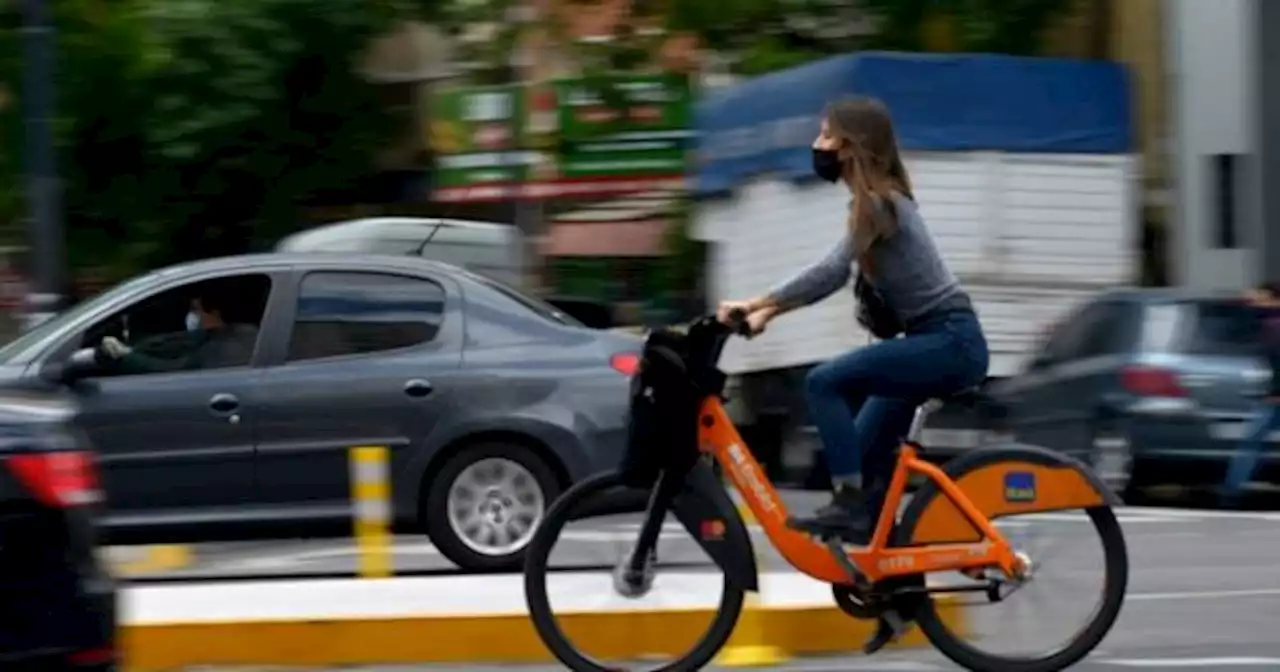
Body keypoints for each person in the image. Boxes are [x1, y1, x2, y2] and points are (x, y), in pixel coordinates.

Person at [716, 98, 990, 544]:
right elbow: (833, 276)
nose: (816, 144)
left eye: (825, 134)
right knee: (862, 457)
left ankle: (847, 505)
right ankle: (890, 570)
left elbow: (830, 270)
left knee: (824, 383)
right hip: (935, 341)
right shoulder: (874, 205)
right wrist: (767, 312)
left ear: (850, 146)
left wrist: (756, 302)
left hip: (950, 341)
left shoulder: (881, 204)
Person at [98, 287, 259, 374]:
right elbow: (173, 344)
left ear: (214, 313)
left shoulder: (224, 347)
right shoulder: (238, 334)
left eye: (197, 310)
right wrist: (132, 350)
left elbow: (172, 370)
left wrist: (125, 357)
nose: (194, 316)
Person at [1221, 282, 1280, 507]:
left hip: (1274, 398)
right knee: (1251, 445)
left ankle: (1231, 494)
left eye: (1263, 298)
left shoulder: (1273, 325)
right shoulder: (1267, 323)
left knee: (1250, 446)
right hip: (1272, 397)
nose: (1257, 302)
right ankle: (1231, 492)